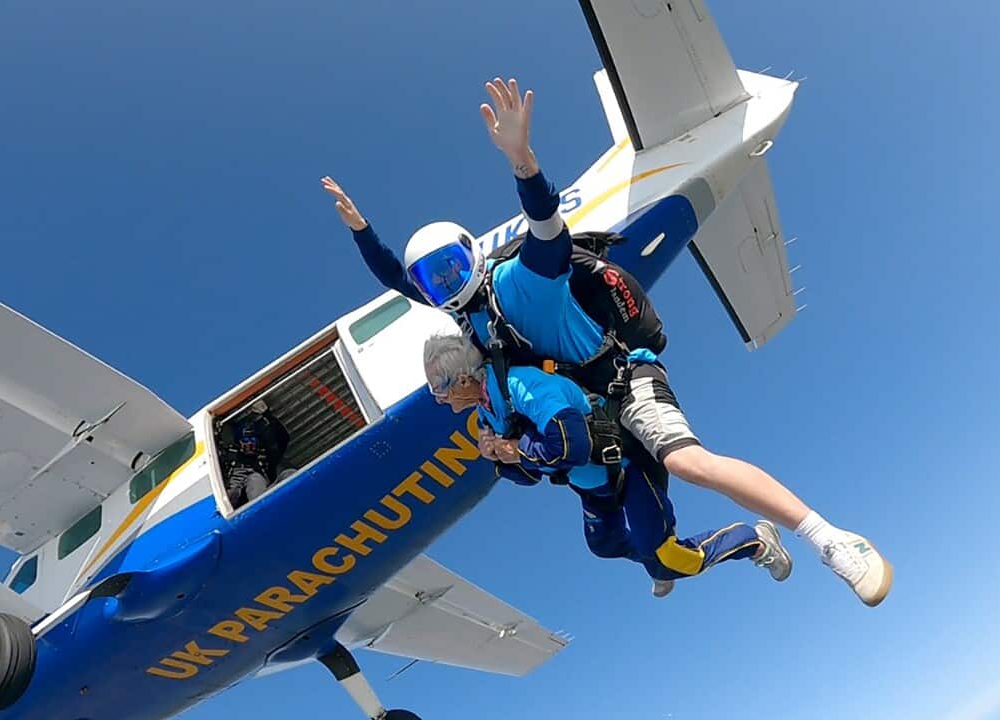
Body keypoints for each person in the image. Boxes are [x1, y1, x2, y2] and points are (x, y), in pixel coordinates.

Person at [322, 77, 892, 607]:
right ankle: (661, 555)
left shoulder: (521, 280)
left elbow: (547, 229)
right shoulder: (474, 331)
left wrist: (522, 162)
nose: (442, 286)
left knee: (689, 462)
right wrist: (360, 233)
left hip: (625, 377)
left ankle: (829, 539)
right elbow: (399, 280)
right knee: (614, 540)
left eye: (449, 269)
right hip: (592, 414)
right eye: (432, 281)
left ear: (471, 255)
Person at [421, 332, 791, 597]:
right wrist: (499, 459)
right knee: (606, 543)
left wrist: (515, 450)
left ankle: (752, 540)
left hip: (627, 467)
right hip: (593, 485)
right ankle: (652, 555)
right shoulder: (488, 415)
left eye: (439, 388)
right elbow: (532, 474)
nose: (438, 399)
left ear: (464, 380)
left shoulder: (521, 385)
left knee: (669, 559)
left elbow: (572, 444)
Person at [221, 400, 291, 508]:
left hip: (262, 491)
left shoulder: (266, 458)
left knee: (288, 473)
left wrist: (268, 415)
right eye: (245, 441)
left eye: (252, 440)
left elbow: (283, 438)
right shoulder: (230, 457)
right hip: (236, 498)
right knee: (251, 481)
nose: (248, 444)